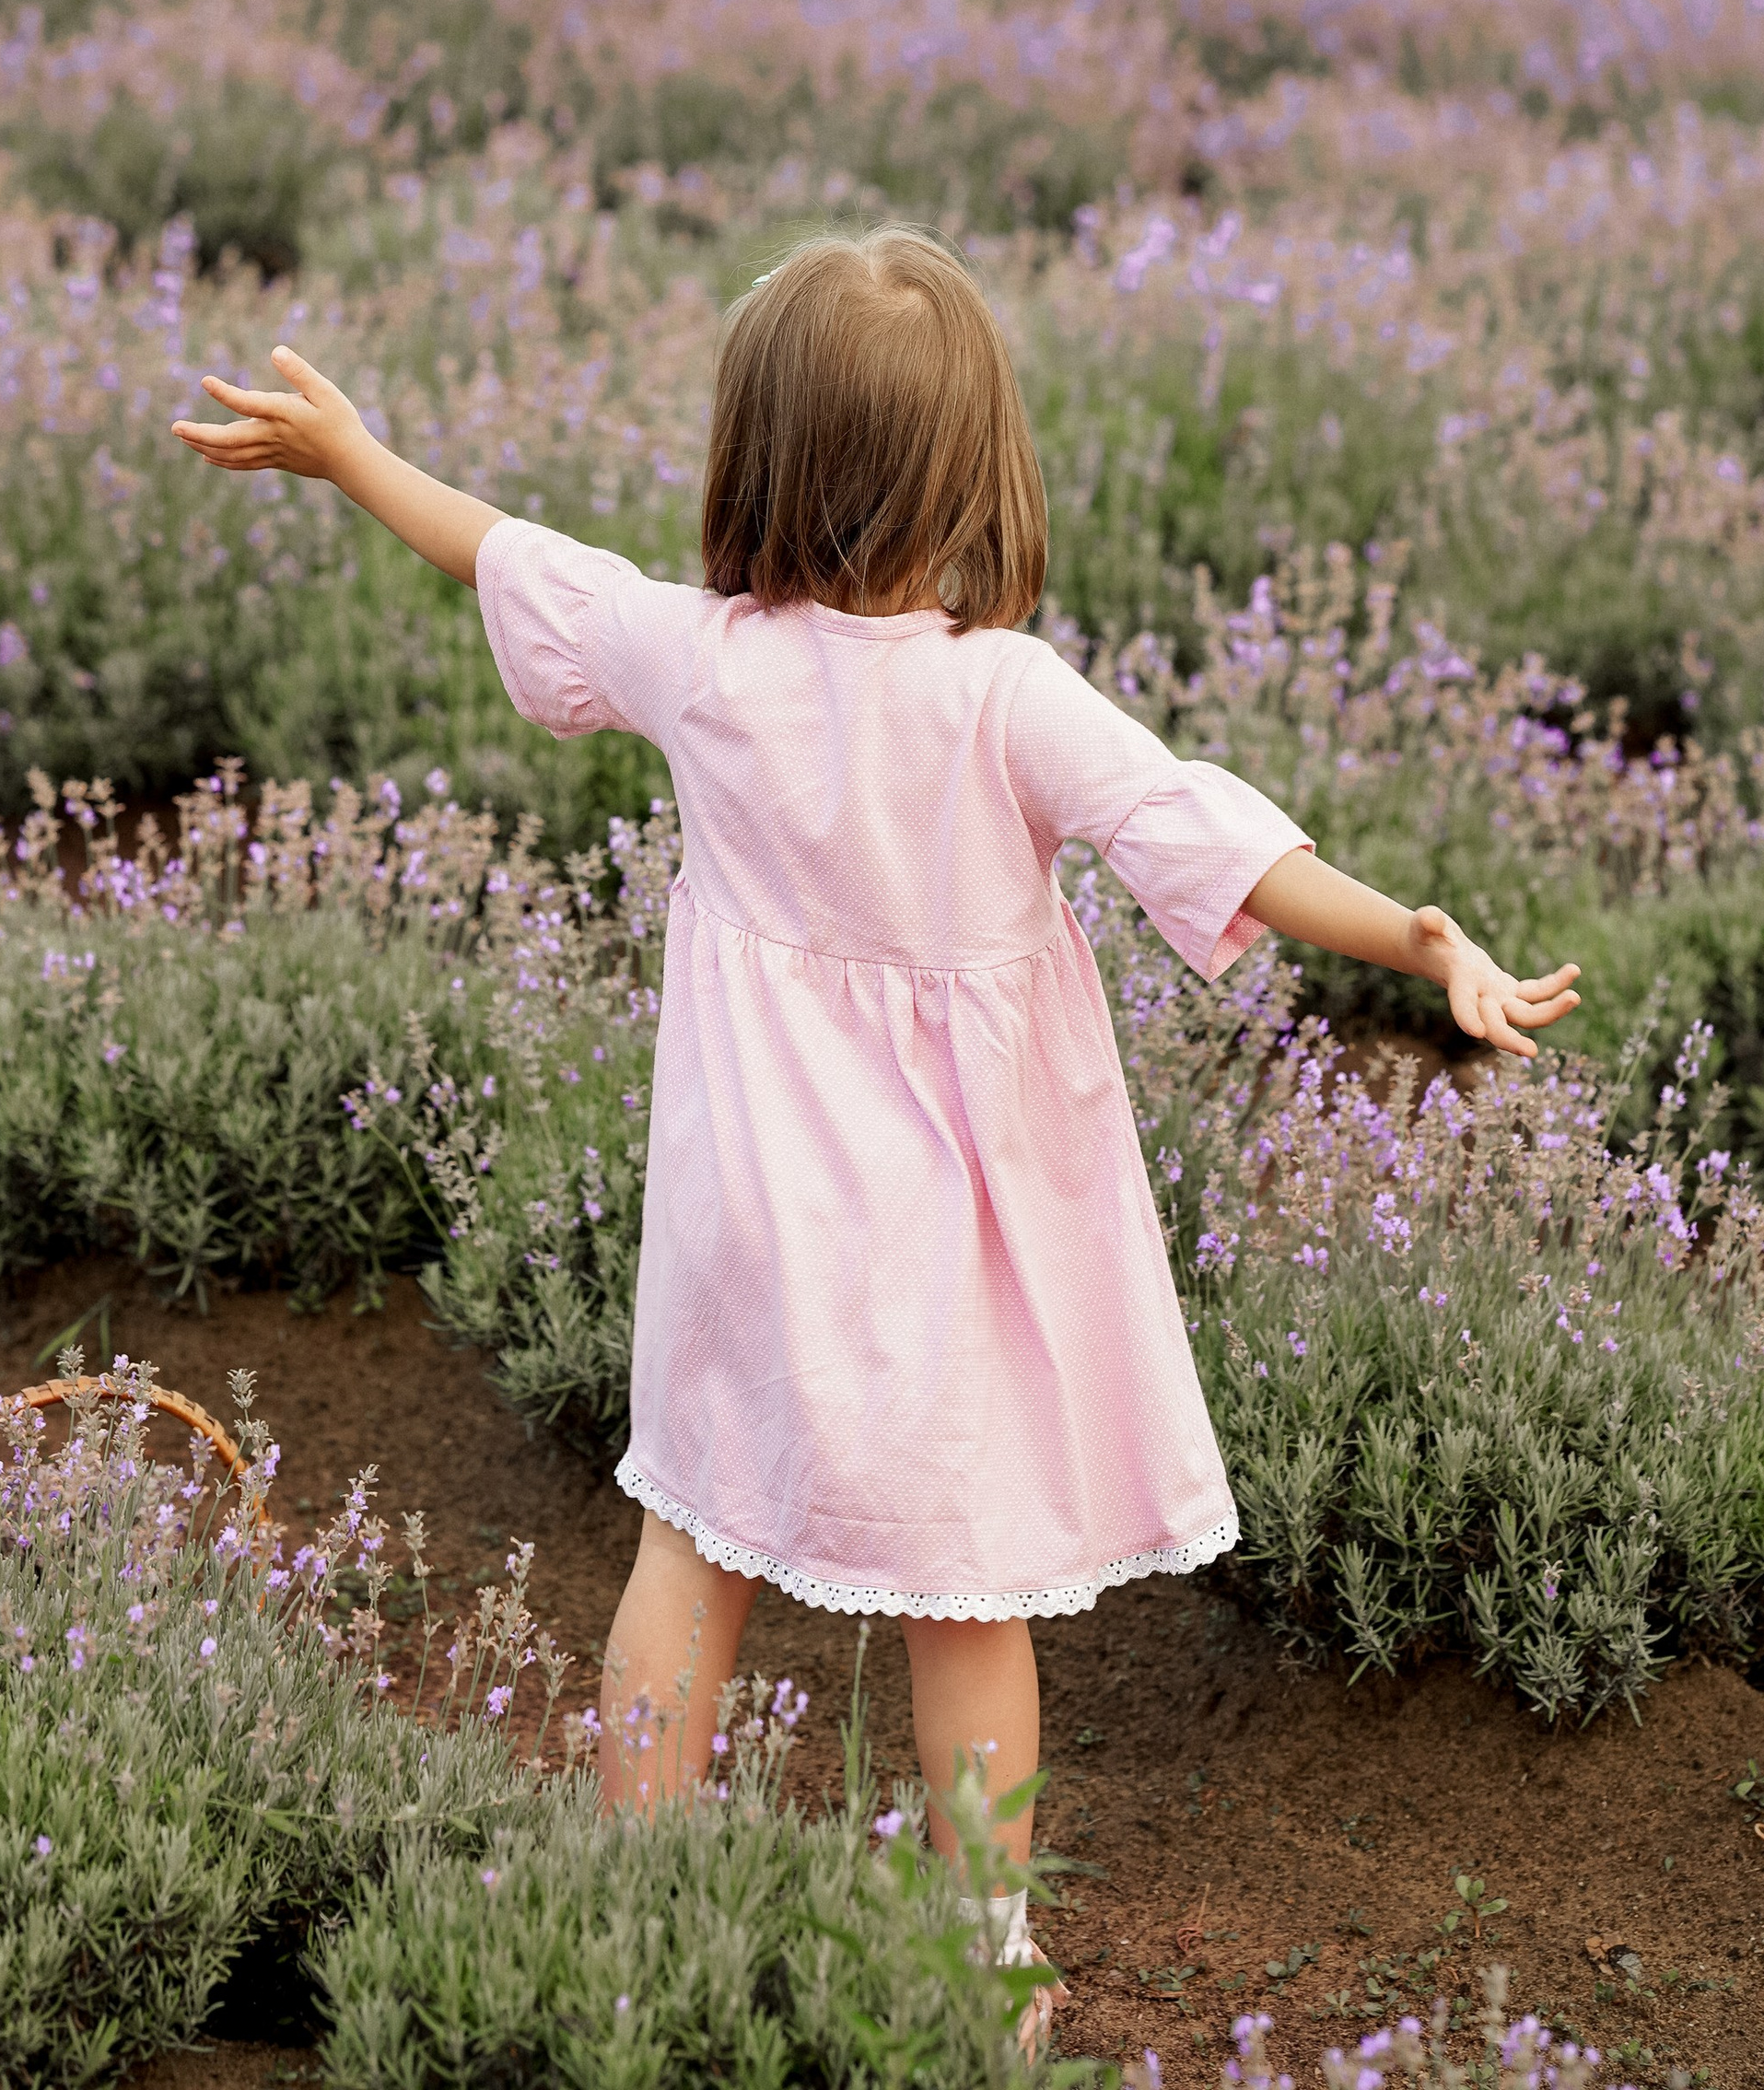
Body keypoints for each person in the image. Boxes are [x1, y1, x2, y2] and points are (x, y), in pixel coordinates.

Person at [174, 227, 1580, 2032]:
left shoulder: (701, 662)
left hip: (751, 1201)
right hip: (951, 1233)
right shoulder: (1005, 696)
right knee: (964, 1592)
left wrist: (348, 452)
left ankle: (625, 1895)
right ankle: (978, 1961)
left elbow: (510, 553)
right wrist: (1416, 938)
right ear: (973, 469)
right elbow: (1205, 838)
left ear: (751, 461)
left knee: (689, 1540)